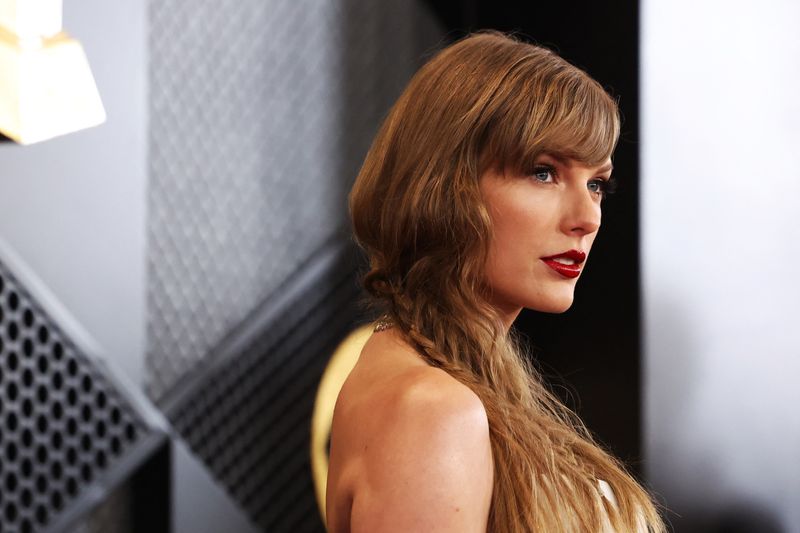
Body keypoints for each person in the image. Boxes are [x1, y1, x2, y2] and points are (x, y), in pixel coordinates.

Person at [325, 31, 666, 532]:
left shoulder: (448, 377)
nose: (587, 218)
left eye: (596, 183)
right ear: (444, 184)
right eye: (543, 172)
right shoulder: (431, 411)